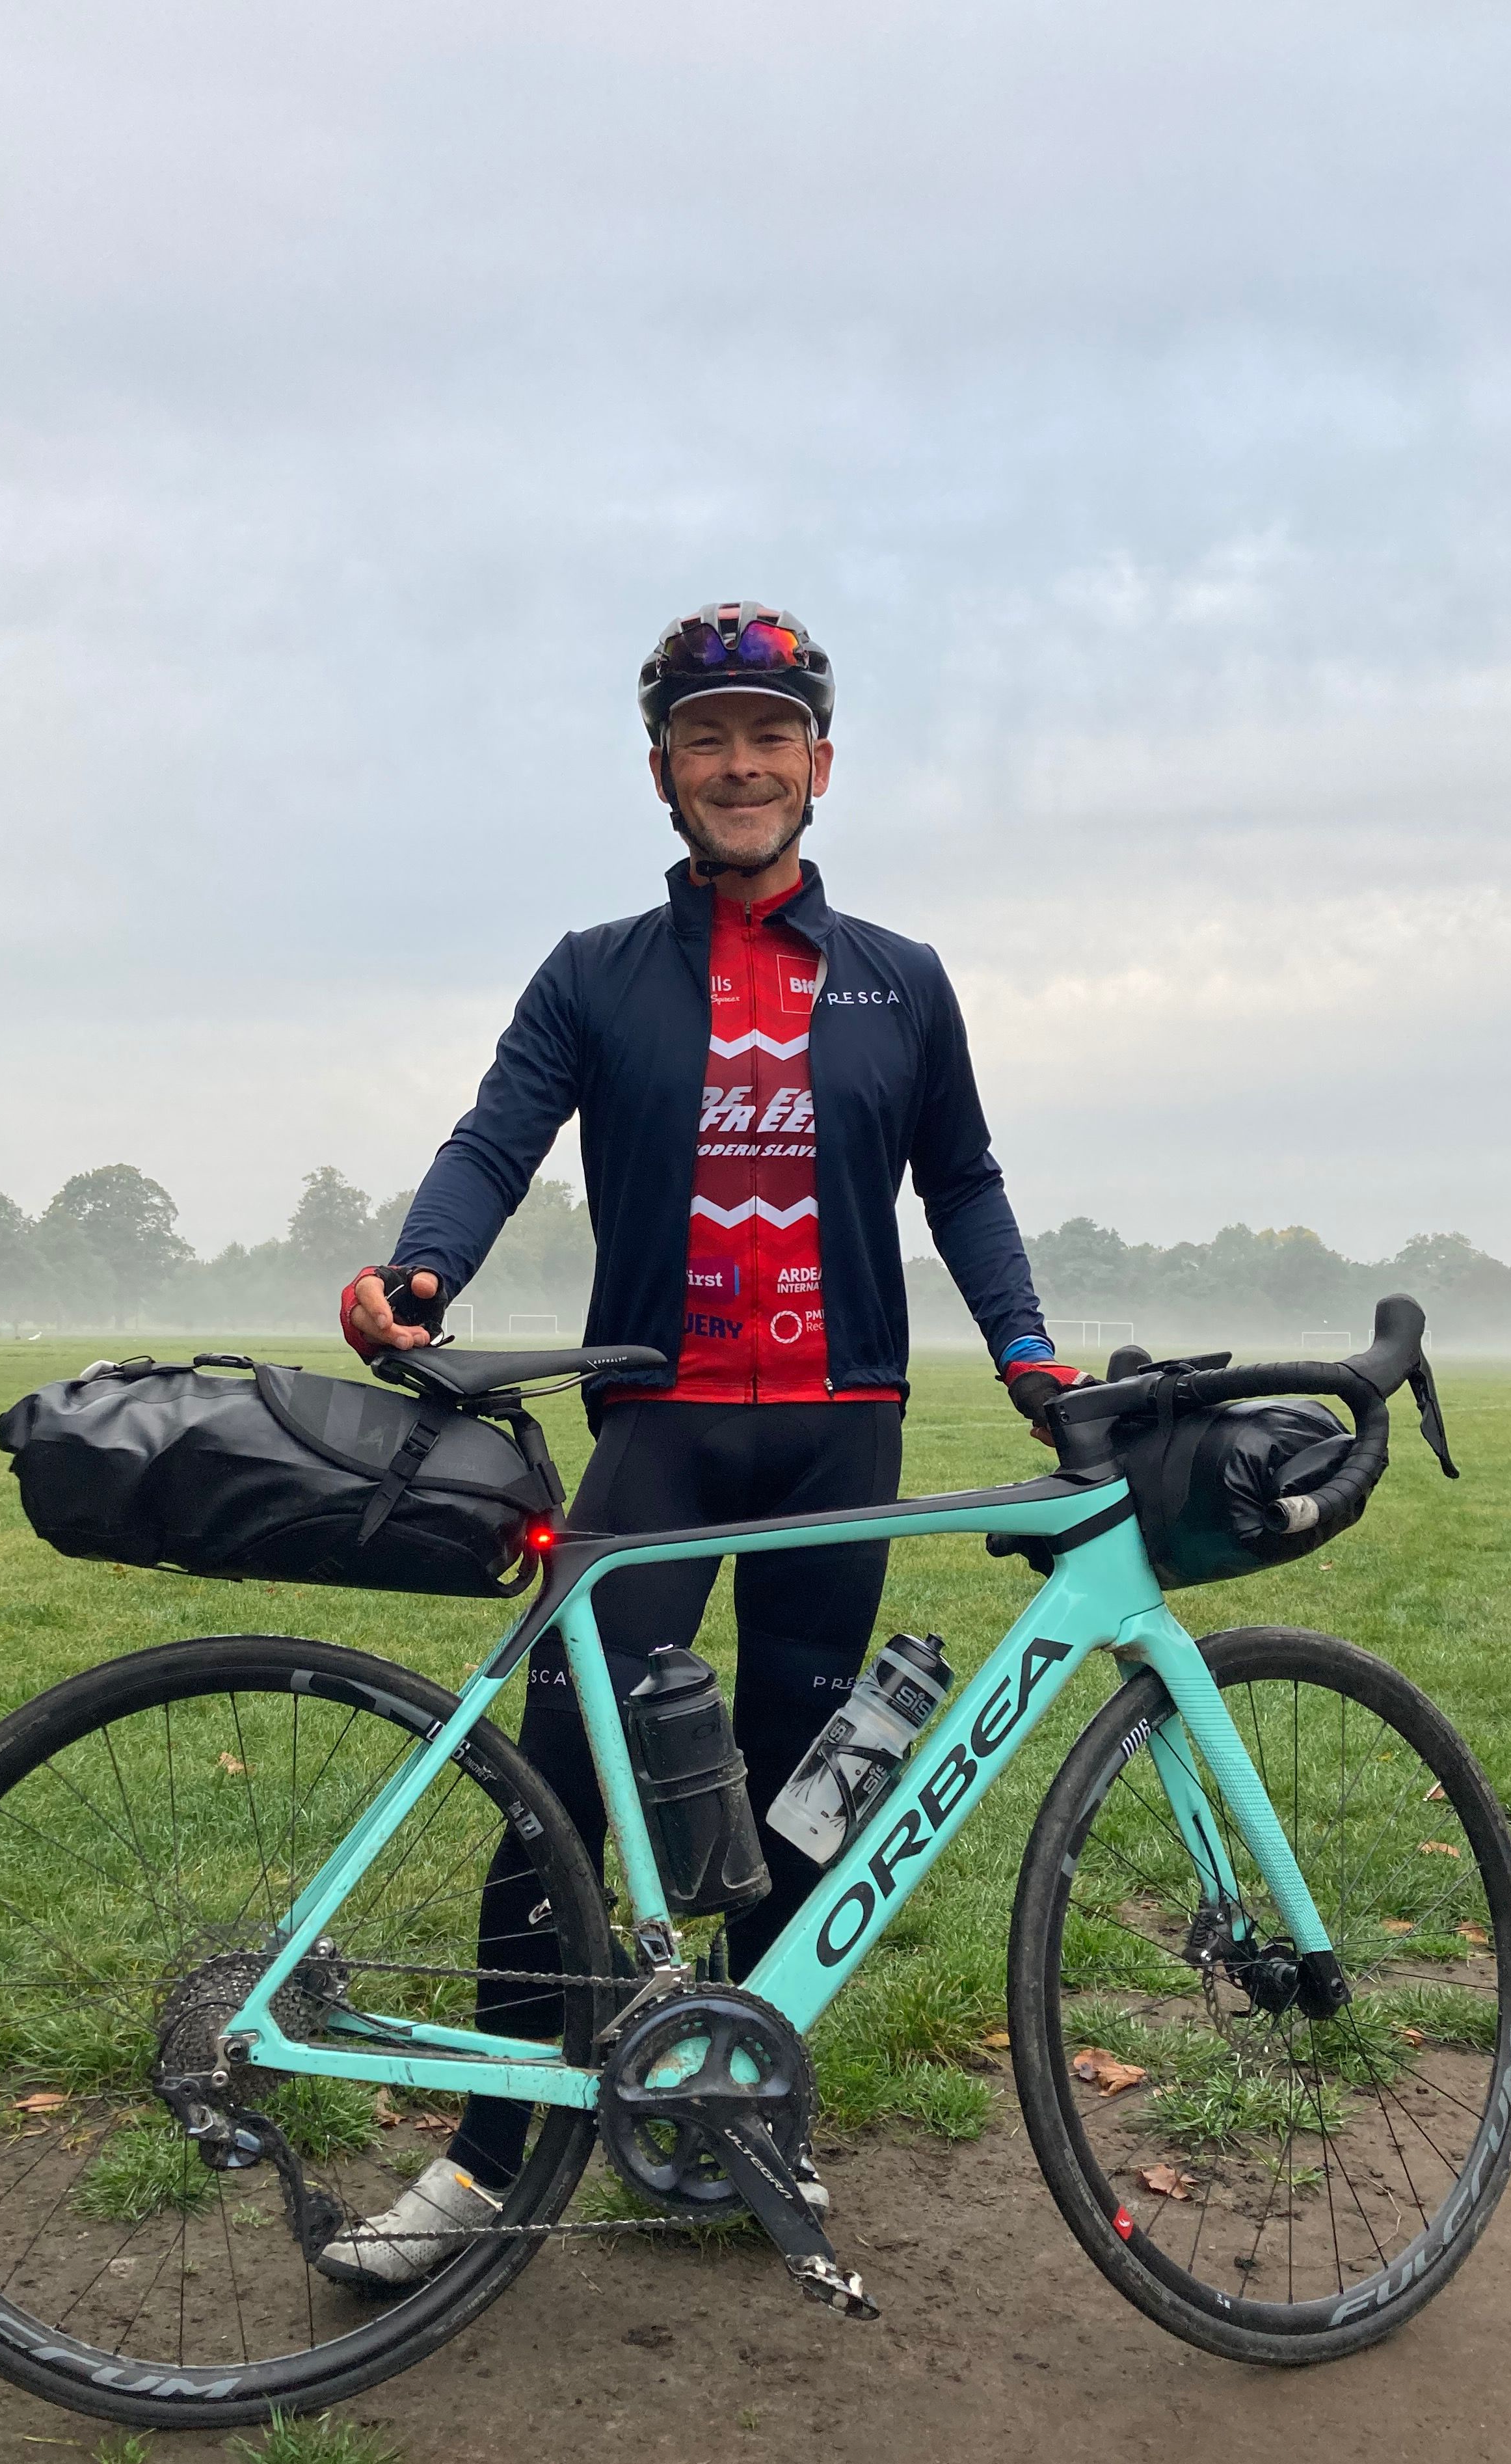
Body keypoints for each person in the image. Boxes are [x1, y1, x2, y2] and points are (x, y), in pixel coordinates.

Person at [319, 602, 1080, 2286]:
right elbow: (497, 1134)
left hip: (837, 1433)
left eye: (770, 732)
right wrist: (420, 1271)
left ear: (821, 760)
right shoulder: (596, 974)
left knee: (808, 1779)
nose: (741, 765)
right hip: (659, 1429)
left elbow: (961, 1178)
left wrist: (1024, 1347)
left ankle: (746, 2108)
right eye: (705, 737)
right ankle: (484, 2159)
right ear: (660, 768)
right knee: (558, 1781)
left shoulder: (905, 980)